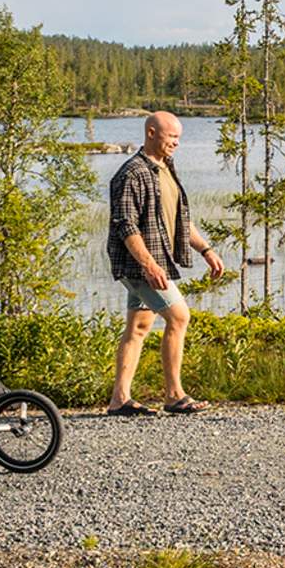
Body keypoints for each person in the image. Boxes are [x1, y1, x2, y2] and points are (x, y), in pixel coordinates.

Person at [105, 112, 224, 416]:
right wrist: (148, 264)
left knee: (139, 327)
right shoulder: (132, 173)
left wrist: (206, 250)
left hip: (154, 262)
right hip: (140, 265)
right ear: (152, 132)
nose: (176, 144)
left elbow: (181, 220)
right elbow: (125, 225)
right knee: (179, 317)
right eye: (172, 137)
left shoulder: (165, 168)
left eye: (178, 138)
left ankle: (119, 399)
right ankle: (174, 395)